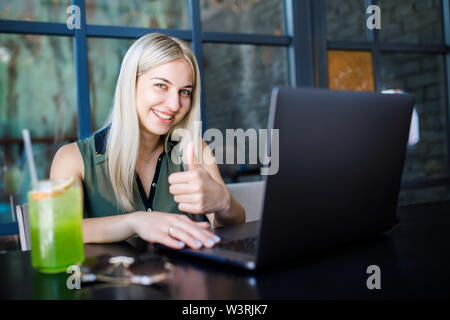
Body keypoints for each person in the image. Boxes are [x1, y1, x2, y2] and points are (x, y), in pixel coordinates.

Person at [50, 33, 245, 250]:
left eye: (184, 92)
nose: (173, 104)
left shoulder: (194, 149)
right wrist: (135, 221)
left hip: (182, 282)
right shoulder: (72, 159)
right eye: (161, 85)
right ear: (130, 84)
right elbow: (59, 233)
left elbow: (233, 226)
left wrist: (224, 202)